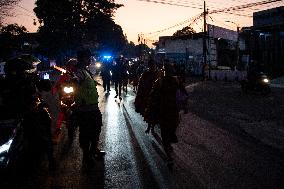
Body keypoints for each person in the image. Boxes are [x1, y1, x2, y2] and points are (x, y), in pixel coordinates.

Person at [2, 56, 55, 171]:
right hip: (15, 118)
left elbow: (44, 87)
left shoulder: (27, 81)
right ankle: (51, 160)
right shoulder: (22, 82)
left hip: (24, 116)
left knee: (43, 131)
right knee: (43, 134)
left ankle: (51, 160)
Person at [74, 49, 105, 166]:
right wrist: (75, 80)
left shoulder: (85, 71)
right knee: (87, 134)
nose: (89, 60)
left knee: (96, 131)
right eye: (88, 58)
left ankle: (93, 151)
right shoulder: (79, 72)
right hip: (85, 110)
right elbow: (77, 79)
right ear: (83, 58)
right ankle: (87, 156)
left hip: (92, 108)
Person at [145, 62, 179, 162]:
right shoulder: (159, 82)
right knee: (165, 133)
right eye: (167, 70)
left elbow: (182, 93)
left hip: (171, 111)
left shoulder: (175, 80)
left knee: (170, 130)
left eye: (169, 70)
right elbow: (152, 97)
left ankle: (169, 144)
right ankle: (169, 156)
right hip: (166, 111)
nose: (168, 72)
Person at [134, 59, 159, 134]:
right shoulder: (145, 74)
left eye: (153, 65)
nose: (153, 66)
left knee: (155, 113)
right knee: (149, 112)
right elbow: (141, 85)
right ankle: (149, 127)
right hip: (148, 96)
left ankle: (152, 127)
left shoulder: (158, 73)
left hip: (156, 96)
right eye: (151, 65)